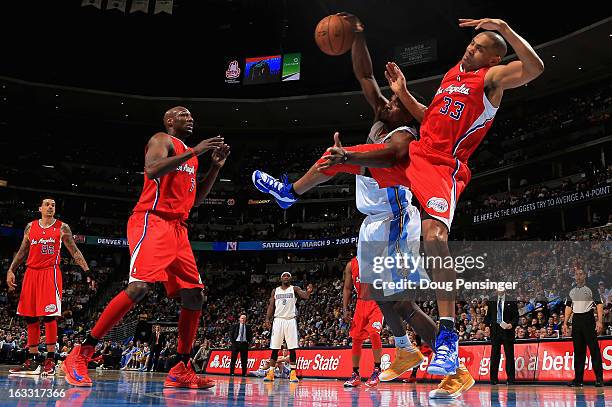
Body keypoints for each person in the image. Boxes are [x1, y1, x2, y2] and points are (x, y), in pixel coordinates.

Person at [256, 17, 544, 396]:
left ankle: (447, 336)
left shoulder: (492, 80)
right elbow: (430, 119)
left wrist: (505, 29)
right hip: (417, 159)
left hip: (442, 167)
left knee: (433, 236)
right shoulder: (452, 75)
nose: (469, 48)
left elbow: (536, 68)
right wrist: (404, 91)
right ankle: (291, 192)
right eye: (471, 44)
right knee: (334, 160)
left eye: (479, 47)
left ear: (493, 57)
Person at [61, 106, 230, 388]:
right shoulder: (162, 140)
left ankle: (181, 367)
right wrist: (195, 152)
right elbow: (152, 170)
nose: (190, 118)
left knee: (195, 296)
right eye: (183, 115)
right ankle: (82, 352)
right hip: (152, 221)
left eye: (191, 116)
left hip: (178, 228)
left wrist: (214, 167)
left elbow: (196, 199)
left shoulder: (192, 156)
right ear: (169, 121)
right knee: (139, 288)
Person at [7, 198, 90, 376]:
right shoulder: (30, 227)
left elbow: (74, 250)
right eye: (47, 204)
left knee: (49, 316)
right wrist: (11, 269)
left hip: (49, 273)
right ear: (40, 208)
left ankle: (51, 359)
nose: (50, 207)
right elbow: (22, 251)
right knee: (30, 316)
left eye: (53, 205)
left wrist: (87, 271)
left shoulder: (62, 227)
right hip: (31, 272)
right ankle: (33, 359)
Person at [263, 272, 313, 383]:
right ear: (281, 278)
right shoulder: (275, 291)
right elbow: (271, 305)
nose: (286, 277)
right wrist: (267, 319)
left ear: (290, 278)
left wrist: (308, 292)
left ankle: (293, 374)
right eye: (284, 276)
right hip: (278, 320)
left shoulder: (294, 288)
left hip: (290, 320)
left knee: (292, 348)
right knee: (275, 348)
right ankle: (270, 373)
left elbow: (304, 295)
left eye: (288, 276)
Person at [342, 258, 384, 387]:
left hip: (377, 302)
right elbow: (347, 288)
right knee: (356, 339)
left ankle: (377, 370)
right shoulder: (351, 264)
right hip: (360, 303)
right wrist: (345, 309)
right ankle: (355, 375)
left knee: (374, 333)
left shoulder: (380, 259)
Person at [563, 267, 604, 387]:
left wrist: (600, 321)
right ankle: (578, 380)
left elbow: (599, 305)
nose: (579, 276)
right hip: (576, 320)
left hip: (588, 319)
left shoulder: (591, 288)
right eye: (576, 274)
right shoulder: (571, 290)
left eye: (581, 274)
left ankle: (599, 379)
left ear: (585, 275)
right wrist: (565, 323)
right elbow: (568, 307)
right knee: (578, 352)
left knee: (594, 350)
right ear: (574, 276)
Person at [485, 287, 518, 385]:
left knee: (509, 355)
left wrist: (511, 324)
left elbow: (516, 316)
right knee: (494, 355)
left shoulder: (511, 300)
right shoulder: (492, 300)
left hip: (507, 331)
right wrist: (487, 325)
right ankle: (493, 379)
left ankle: (511, 379)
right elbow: (488, 316)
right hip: (495, 331)